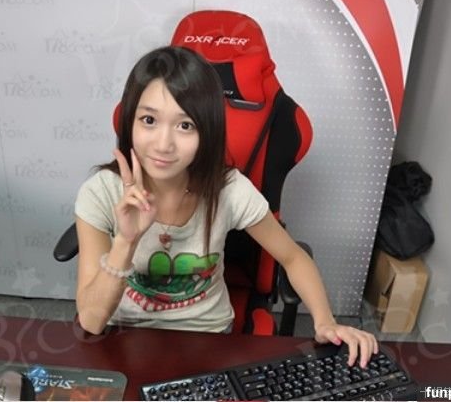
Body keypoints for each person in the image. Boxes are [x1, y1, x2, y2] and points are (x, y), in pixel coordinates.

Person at [75, 46, 378, 367]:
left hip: (208, 337)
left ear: (208, 131)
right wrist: (126, 241)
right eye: (149, 120)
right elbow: (91, 321)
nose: (163, 144)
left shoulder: (228, 189)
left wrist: (325, 321)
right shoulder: (101, 192)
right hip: (125, 336)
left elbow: (293, 256)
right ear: (129, 122)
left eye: (185, 125)